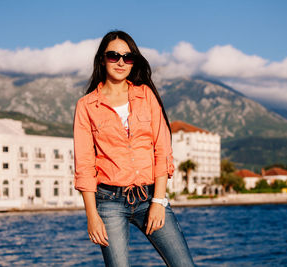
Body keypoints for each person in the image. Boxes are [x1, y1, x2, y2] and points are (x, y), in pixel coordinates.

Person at [73, 30, 195, 267]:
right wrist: (92, 216)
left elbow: (162, 149)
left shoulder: (145, 95)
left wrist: (158, 202)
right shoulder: (86, 106)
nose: (121, 62)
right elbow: (84, 165)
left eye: (127, 57)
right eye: (113, 55)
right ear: (102, 59)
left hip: (150, 197)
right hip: (109, 201)